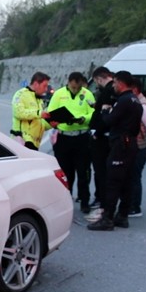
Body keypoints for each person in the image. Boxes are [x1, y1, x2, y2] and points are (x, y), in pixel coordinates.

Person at [88, 71, 143, 231]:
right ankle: (122, 216)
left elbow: (109, 121)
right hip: (130, 143)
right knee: (127, 180)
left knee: (113, 181)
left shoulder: (124, 101)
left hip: (121, 144)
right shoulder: (135, 100)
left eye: (115, 83)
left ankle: (107, 218)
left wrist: (105, 111)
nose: (114, 87)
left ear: (120, 83)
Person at [45, 71, 97, 214]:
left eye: (77, 87)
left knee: (83, 171)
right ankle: (64, 201)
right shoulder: (59, 94)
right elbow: (51, 111)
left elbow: (93, 112)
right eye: (72, 87)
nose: (75, 89)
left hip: (81, 136)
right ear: (68, 82)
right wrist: (58, 119)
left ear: (81, 83)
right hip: (64, 137)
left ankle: (84, 201)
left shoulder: (87, 94)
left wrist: (83, 119)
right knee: (64, 172)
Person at [126, 76, 146, 218]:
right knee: (133, 176)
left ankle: (135, 207)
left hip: (140, 146)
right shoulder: (138, 103)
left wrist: (145, 138)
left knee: (134, 176)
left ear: (134, 89)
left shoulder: (142, 106)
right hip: (139, 145)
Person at [88, 67, 117, 208]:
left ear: (99, 79)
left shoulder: (108, 91)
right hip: (105, 136)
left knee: (101, 172)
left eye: (96, 82)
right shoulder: (112, 90)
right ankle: (104, 201)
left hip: (102, 138)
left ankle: (104, 204)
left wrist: (96, 132)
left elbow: (105, 115)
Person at [11, 72, 51, 150]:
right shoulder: (21, 94)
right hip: (22, 141)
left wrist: (51, 124)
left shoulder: (39, 100)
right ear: (36, 84)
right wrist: (39, 113)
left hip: (35, 144)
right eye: (44, 86)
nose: (46, 89)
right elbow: (19, 112)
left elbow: (39, 123)